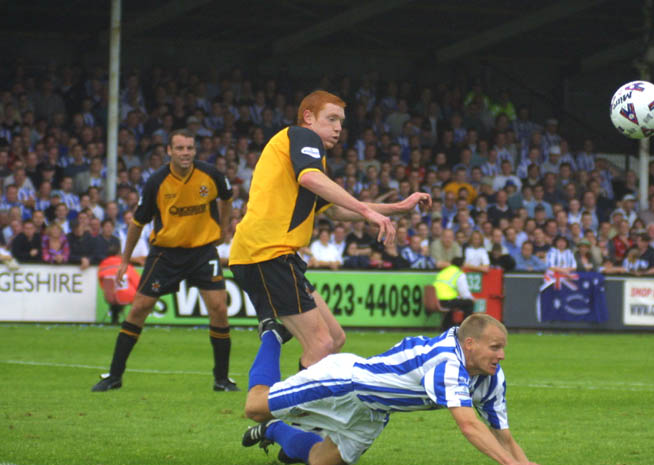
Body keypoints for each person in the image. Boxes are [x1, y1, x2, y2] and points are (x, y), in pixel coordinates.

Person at [228, 90, 431, 383]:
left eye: (341, 121)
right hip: (266, 253)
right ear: (309, 117)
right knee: (321, 345)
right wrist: (367, 211)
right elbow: (309, 178)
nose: (338, 127)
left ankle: (272, 333)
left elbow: (333, 210)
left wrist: (398, 207)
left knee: (334, 338)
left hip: (275, 255)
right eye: (331, 118)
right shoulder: (302, 136)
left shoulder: (305, 154)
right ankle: (288, 418)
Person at [240, 313, 567, 465]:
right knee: (254, 406)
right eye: (495, 347)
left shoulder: (491, 376)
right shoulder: (447, 362)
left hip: (373, 411)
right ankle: (271, 335)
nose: (502, 355)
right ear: (470, 343)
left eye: (503, 348)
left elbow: (502, 434)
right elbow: (469, 424)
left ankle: (275, 430)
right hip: (344, 382)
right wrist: (510, 464)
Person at [91, 129, 236, 392]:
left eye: (190, 148)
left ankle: (222, 380)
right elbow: (138, 222)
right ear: (169, 151)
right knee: (139, 308)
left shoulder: (210, 174)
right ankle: (114, 376)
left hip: (203, 251)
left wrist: (222, 229)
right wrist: (124, 260)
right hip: (166, 254)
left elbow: (227, 198)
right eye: (179, 148)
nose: (185, 153)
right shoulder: (157, 181)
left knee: (219, 308)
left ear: (195, 150)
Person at [98, 241, 141, 324]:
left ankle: (115, 318)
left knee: (116, 296)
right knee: (130, 294)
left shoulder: (102, 267)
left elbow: (102, 284)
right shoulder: (126, 266)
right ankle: (132, 321)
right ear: (118, 254)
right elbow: (137, 283)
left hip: (109, 297)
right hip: (127, 296)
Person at [434, 256, 475, 330]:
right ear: (462, 266)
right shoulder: (459, 274)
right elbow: (464, 293)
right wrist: (472, 299)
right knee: (469, 303)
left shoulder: (443, 271)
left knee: (455, 304)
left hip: (436, 300)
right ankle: (466, 328)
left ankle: (447, 327)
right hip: (447, 300)